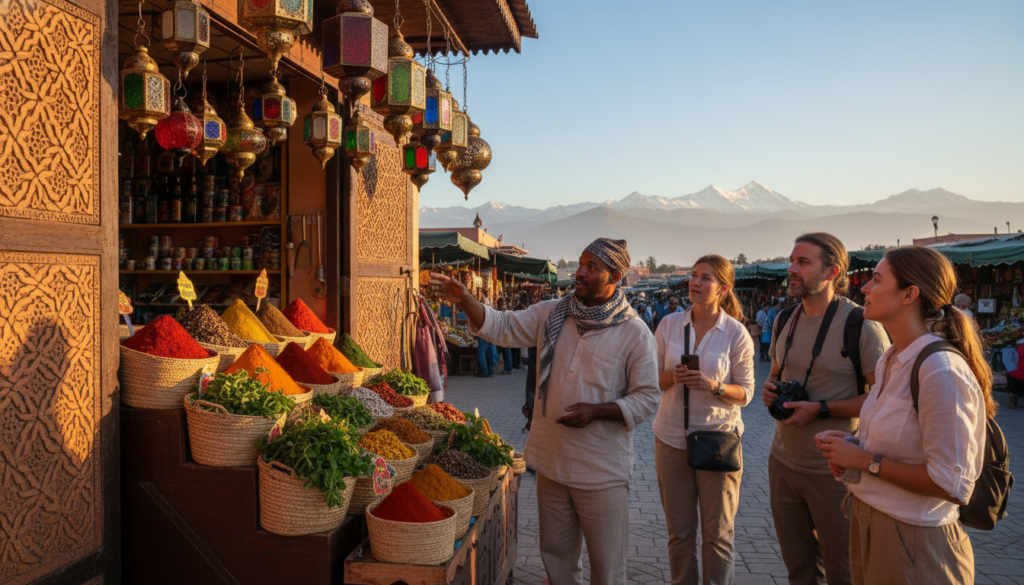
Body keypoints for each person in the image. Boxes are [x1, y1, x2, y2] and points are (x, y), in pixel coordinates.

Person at [430, 238, 660, 585]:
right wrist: (465, 299)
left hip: (601, 471)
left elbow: (647, 397)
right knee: (556, 560)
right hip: (552, 462)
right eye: (580, 263)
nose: (579, 272)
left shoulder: (634, 333)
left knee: (607, 568)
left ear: (615, 276)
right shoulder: (554, 312)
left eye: (591, 267)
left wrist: (597, 411)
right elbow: (503, 326)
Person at [816, 246, 991, 585]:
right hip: (871, 522)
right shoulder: (892, 358)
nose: (864, 288)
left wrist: (866, 460)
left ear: (910, 294)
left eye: (877, 280)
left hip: (913, 538)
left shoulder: (940, 370)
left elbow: (952, 483)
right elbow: (900, 445)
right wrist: (853, 446)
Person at [762, 233, 890, 585]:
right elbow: (775, 374)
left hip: (834, 471)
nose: (792, 269)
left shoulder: (861, 325)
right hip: (783, 463)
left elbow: (884, 401)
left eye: (803, 262)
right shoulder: (783, 320)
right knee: (799, 571)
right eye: (792, 261)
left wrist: (820, 408)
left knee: (842, 571)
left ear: (832, 271)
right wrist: (770, 391)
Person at [654, 255, 755, 585]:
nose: (695, 282)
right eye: (694, 276)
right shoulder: (669, 324)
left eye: (706, 278)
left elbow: (746, 393)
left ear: (723, 288)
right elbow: (650, 378)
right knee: (679, 535)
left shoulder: (736, 334)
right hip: (670, 438)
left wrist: (714, 387)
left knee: (718, 535)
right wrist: (672, 375)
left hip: (717, 441)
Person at [1008, 340, 1024, 409]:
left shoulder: (1018, 349)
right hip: (1021, 374)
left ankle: (1012, 403)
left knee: (1012, 389)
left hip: (1014, 372)